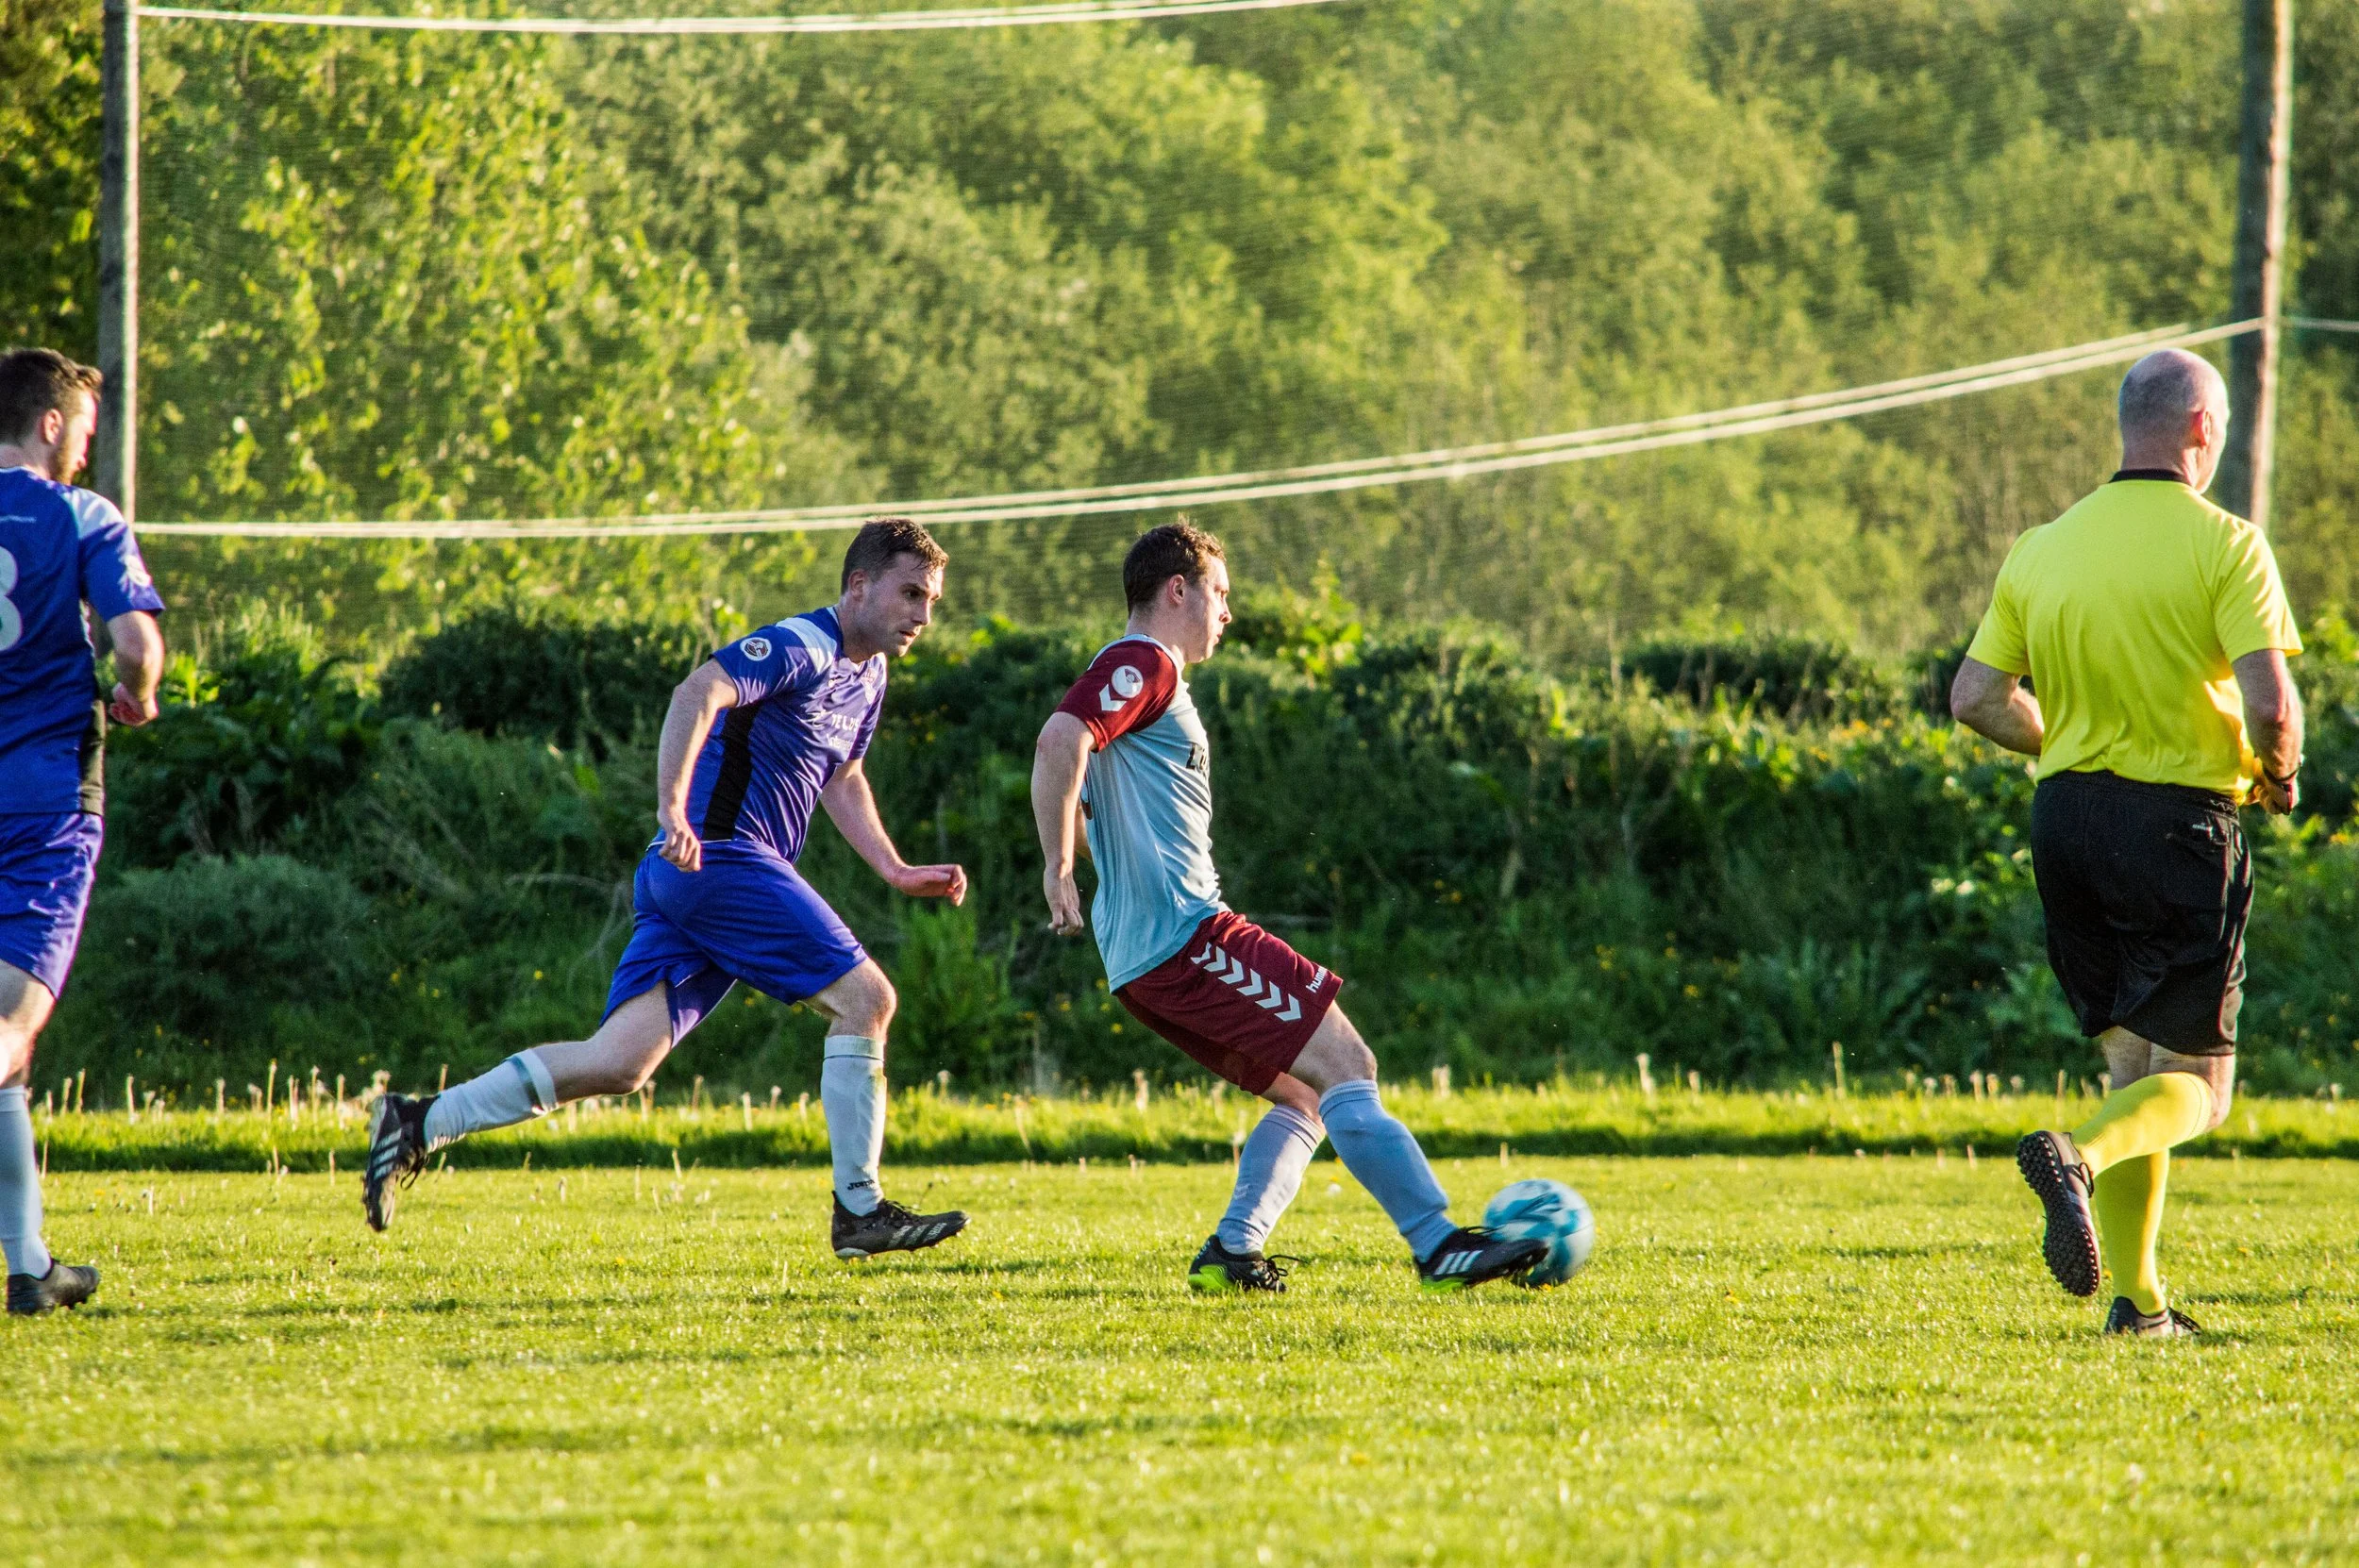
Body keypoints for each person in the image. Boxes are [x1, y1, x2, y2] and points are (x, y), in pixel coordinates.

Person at [364, 519, 973, 1260]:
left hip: (696, 876)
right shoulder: (802, 644)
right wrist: (672, 805)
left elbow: (842, 778)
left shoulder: (866, 674)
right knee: (868, 1002)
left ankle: (416, 1123)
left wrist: (896, 869)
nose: (923, 615)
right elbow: (700, 688)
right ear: (858, 585)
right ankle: (860, 1210)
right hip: (719, 859)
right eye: (911, 593)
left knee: (620, 1061)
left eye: (932, 599)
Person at [1029, 521, 1544, 1294]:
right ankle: (1439, 1245)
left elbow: (1082, 764)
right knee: (1350, 1066)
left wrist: (1087, 857)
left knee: (1304, 1095)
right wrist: (1060, 866)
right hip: (1188, 937)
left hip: (1150, 954)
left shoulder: (1139, 673)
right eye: (1220, 593)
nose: (1227, 612)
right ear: (1179, 589)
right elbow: (1059, 739)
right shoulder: (1145, 662)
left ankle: (1234, 1251)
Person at [1951, 348, 2303, 1338]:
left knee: (2132, 1066)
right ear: (2200, 429)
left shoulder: (2042, 546)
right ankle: (2078, 1157)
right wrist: (2277, 777)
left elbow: (1975, 698)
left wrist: (2057, 737)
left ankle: (2138, 1303)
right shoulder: (2226, 544)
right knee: (2197, 1088)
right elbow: (2273, 710)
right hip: (2177, 823)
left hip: (2064, 819)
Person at [0, 347, 167, 1316]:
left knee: (10, 1045)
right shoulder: (80, 516)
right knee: (13, 1023)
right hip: (43, 804)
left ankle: (26, 1266)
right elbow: (137, 643)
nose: (85, 456)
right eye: (86, 436)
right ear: (52, 424)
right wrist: (135, 694)